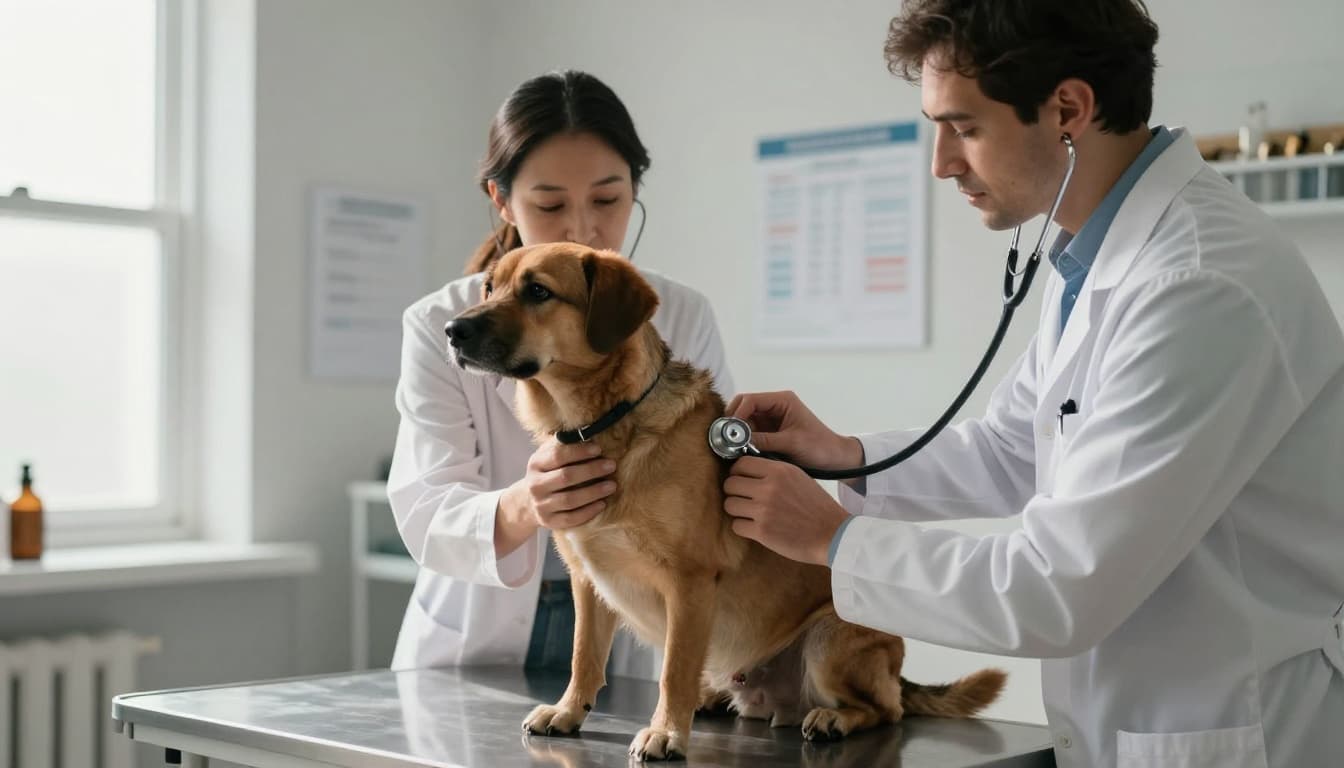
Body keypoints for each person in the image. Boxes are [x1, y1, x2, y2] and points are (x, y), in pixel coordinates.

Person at [721, 2, 1344, 766]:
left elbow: (1057, 587)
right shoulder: (1099, 255)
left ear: (1068, 110)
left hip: (1233, 734)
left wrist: (830, 539)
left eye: (965, 127)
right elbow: (1013, 448)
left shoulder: (1201, 285)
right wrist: (844, 455)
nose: (941, 163)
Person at [388, 70, 734, 680]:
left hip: (634, 633)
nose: (581, 228)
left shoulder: (676, 312)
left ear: (635, 188)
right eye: (549, 205)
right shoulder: (442, 324)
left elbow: (712, 486)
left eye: (607, 199)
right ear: (502, 200)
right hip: (478, 639)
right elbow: (425, 514)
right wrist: (529, 504)